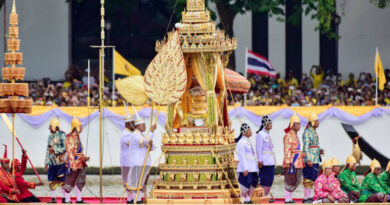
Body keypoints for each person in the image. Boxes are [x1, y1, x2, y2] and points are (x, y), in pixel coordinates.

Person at [126, 115, 157, 204]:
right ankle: (136, 200)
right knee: (137, 182)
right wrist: (151, 131)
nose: (145, 127)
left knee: (142, 182)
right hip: (138, 162)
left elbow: (149, 147)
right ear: (139, 126)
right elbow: (145, 141)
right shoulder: (134, 135)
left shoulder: (141, 135)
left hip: (143, 162)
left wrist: (150, 143)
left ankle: (137, 199)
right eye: (144, 125)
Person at [64, 118, 90, 204]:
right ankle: (67, 199)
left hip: (80, 163)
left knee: (81, 180)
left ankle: (79, 199)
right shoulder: (70, 138)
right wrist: (73, 165)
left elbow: (78, 152)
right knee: (70, 180)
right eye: (80, 126)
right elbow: (70, 153)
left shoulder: (77, 137)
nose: (82, 128)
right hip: (73, 164)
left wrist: (84, 157)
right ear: (76, 127)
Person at [283, 114, 305, 203]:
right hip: (292, 162)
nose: (299, 126)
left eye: (299, 124)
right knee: (289, 180)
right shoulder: (288, 135)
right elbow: (287, 149)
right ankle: (287, 200)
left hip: (298, 162)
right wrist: (288, 162)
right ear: (292, 125)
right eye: (297, 124)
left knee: (296, 180)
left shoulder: (296, 135)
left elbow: (296, 149)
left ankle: (290, 198)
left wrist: (301, 154)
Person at [44, 117, 67, 203]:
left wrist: (55, 150)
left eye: (50, 126)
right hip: (52, 162)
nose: (49, 128)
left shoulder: (62, 135)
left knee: (62, 180)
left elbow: (65, 148)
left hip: (60, 162)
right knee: (51, 179)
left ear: (55, 126)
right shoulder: (50, 136)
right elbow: (48, 150)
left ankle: (64, 198)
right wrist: (46, 163)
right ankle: (53, 199)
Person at [302, 113, 323, 203]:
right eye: (316, 121)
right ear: (312, 122)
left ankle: (310, 196)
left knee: (313, 177)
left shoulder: (314, 132)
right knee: (308, 177)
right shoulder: (307, 132)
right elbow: (306, 146)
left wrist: (320, 150)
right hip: (310, 159)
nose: (318, 122)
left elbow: (314, 146)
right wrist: (307, 159)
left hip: (315, 158)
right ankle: (306, 197)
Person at [236, 123, 258, 204]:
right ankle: (242, 201)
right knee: (245, 185)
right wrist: (245, 168)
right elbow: (242, 156)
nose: (251, 131)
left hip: (252, 167)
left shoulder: (247, 141)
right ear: (245, 131)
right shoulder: (241, 142)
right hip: (246, 167)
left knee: (254, 182)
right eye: (249, 130)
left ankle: (248, 199)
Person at [255, 116, 275, 200]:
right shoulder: (260, 134)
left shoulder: (268, 133)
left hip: (271, 160)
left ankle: (266, 195)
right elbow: (258, 148)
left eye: (271, 123)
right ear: (265, 124)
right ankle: (262, 196)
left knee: (270, 179)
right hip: (264, 161)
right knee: (264, 179)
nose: (271, 125)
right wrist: (259, 160)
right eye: (269, 123)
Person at [120, 104, 135, 203]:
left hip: (130, 160)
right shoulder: (126, 135)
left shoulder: (130, 134)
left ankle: (131, 198)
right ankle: (130, 198)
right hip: (127, 161)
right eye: (133, 124)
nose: (134, 125)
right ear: (128, 124)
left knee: (131, 180)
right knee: (128, 180)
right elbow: (133, 145)